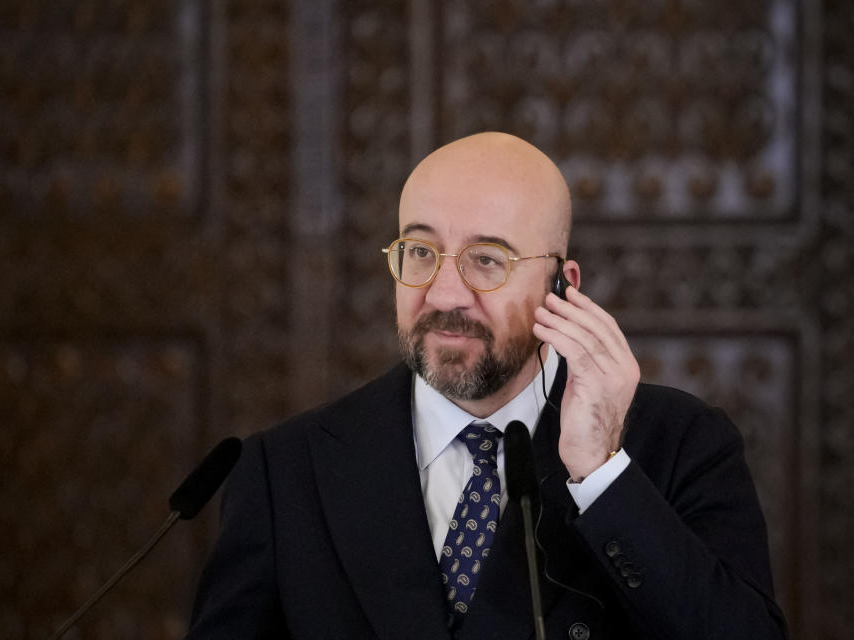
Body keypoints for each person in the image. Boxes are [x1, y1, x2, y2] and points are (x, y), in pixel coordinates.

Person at [185, 133, 787, 639]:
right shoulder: (285, 469)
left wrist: (601, 476)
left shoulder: (681, 443)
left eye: (488, 259)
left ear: (563, 287)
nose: (445, 294)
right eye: (420, 252)